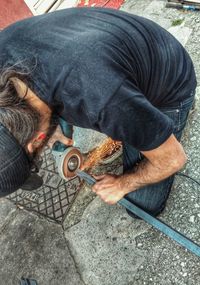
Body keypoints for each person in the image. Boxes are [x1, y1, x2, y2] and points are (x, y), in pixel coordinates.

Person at [0, 7, 196, 217]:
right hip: (104, 45)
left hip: (170, 81)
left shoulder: (103, 97)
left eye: (38, 151)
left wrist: (122, 184)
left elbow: (174, 159)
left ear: (35, 142)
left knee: (141, 207)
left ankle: (161, 121)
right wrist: (51, 127)